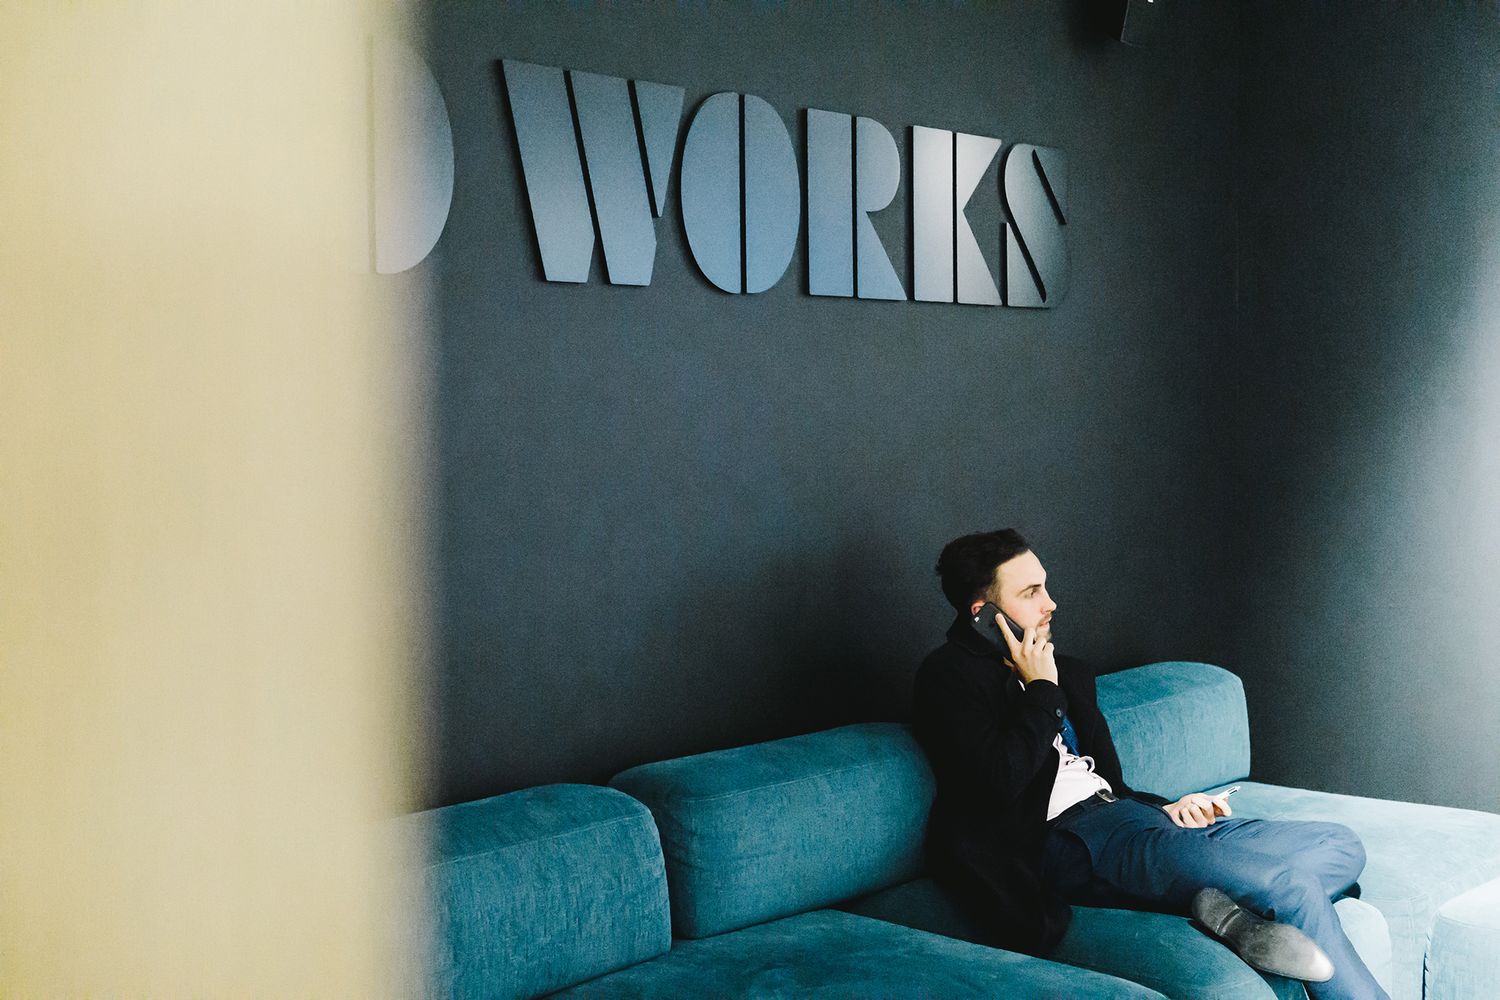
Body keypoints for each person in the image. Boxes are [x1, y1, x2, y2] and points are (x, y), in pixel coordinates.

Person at [911, 528, 1389, 1000]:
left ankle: (1223, 905)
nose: (1050, 603)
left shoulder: (1069, 672)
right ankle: (1241, 899)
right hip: (1073, 840)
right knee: (1289, 887)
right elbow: (998, 781)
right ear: (982, 613)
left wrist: (1173, 807)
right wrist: (1040, 692)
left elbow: (1108, 783)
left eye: (1046, 587)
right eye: (1032, 592)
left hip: (1135, 822)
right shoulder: (949, 678)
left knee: (1340, 844)